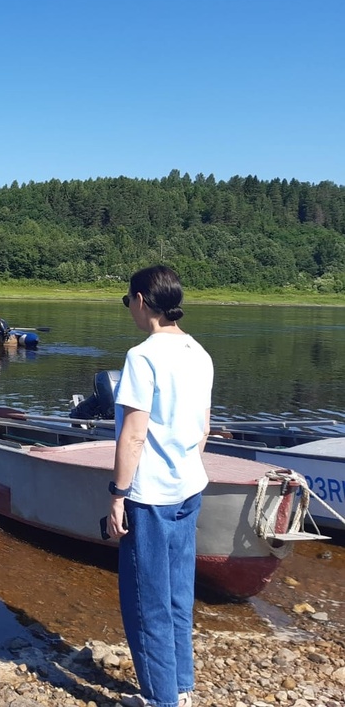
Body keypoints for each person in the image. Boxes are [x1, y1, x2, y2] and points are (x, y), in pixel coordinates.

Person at [106, 265, 213, 707]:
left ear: (141, 301)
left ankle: (161, 700)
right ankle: (180, 689)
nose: (129, 308)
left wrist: (117, 495)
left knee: (146, 602)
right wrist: (182, 464)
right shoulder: (199, 352)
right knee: (176, 595)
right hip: (189, 489)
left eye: (128, 300)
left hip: (149, 497)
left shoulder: (143, 356)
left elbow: (132, 434)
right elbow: (204, 427)